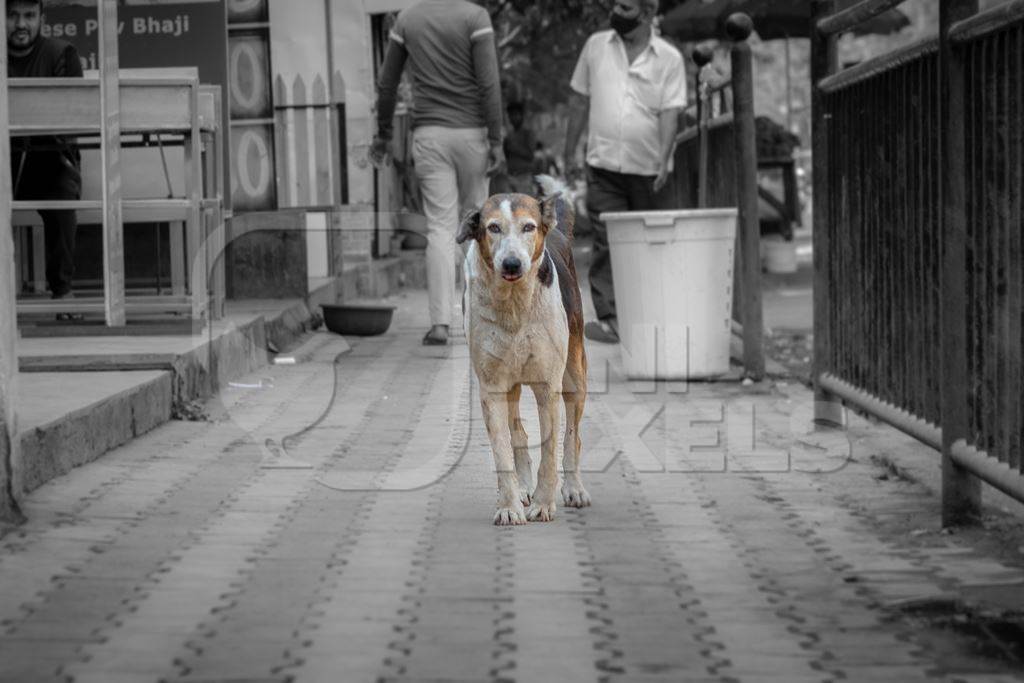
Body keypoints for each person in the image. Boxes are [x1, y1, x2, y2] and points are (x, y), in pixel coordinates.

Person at [372, 0, 506, 346]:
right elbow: (489, 83)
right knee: (478, 224)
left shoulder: (407, 19)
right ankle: (483, 320)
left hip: (429, 134)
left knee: (440, 228)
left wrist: (383, 134)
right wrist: (497, 139)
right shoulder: (474, 17)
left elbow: (387, 85)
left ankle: (440, 325)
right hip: (473, 134)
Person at [563, 0, 686, 344]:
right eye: (616, 4)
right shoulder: (596, 46)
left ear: (648, 14)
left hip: (650, 170)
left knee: (653, 242)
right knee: (606, 241)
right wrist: (570, 148)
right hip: (603, 164)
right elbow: (578, 100)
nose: (618, 11)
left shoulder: (669, 58)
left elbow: (670, 113)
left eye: (627, 6)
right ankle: (611, 320)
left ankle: (657, 317)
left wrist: (663, 160)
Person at [7, 0, 84, 312]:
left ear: (42, 18)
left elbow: (73, 116)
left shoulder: (62, 53)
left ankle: (63, 292)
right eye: (12, 15)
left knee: (62, 195)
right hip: (3, 161)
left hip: (49, 160)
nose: (21, 24)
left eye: (28, 15)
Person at [503, 101, 536, 194]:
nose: (513, 118)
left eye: (516, 115)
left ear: (521, 116)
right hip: (510, 176)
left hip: (524, 176)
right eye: (511, 115)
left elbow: (530, 155)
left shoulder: (528, 133)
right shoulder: (509, 135)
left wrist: (513, 148)